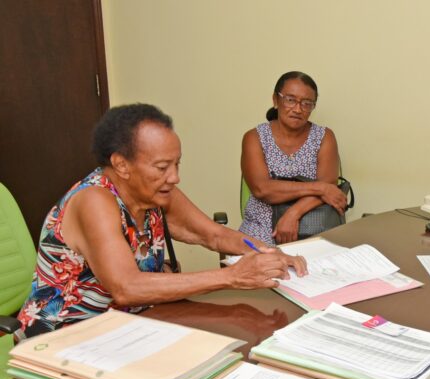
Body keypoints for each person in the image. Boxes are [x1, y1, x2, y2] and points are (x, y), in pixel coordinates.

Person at [16, 103, 307, 340]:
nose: (174, 177)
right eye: (162, 167)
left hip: (133, 325)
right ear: (121, 164)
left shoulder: (156, 193)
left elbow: (214, 235)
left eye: (176, 164)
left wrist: (268, 252)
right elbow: (126, 287)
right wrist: (231, 276)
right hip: (67, 338)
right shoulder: (95, 201)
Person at [239, 71, 347, 245]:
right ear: (276, 100)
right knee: (258, 268)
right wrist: (319, 188)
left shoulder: (325, 137)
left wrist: (293, 214)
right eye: (290, 100)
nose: (298, 109)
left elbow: (330, 190)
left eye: (307, 103)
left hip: (313, 229)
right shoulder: (254, 137)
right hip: (259, 230)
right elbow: (262, 189)